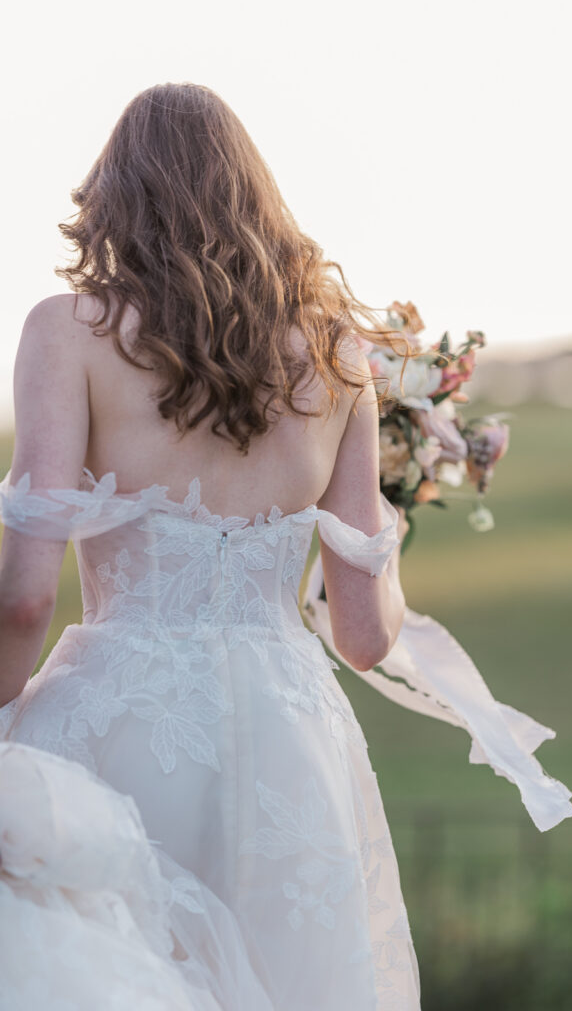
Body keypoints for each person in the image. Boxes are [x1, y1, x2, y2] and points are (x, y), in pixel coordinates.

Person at [0, 82, 422, 1010]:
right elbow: (365, 636)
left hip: (120, 724)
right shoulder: (345, 357)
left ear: (114, 192)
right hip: (291, 735)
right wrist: (390, 534)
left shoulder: (67, 333)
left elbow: (25, 597)